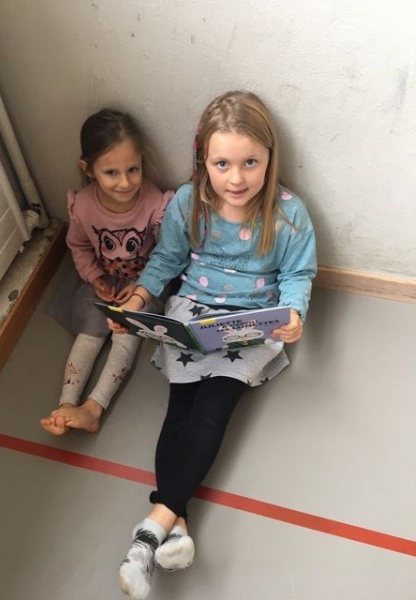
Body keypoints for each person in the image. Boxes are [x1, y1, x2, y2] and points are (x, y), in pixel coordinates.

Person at [109, 90, 317, 600]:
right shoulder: (188, 202)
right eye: (222, 164)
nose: (237, 178)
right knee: (179, 410)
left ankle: (149, 533)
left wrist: (294, 314)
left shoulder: (289, 214)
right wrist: (138, 298)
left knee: (212, 410)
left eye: (250, 163)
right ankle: (176, 526)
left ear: (270, 158)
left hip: (250, 323)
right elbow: (166, 261)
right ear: (203, 160)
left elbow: (297, 274)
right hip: (192, 314)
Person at [40, 109, 173, 435]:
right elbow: (79, 246)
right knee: (89, 332)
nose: (125, 182)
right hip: (103, 282)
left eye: (133, 169)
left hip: (143, 284)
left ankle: (94, 407)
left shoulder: (154, 202)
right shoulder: (84, 205)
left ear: (142, 163)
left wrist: (140, 285)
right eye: (111, 172)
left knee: (124, 335)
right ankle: (67, 403)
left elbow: (166, 254)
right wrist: (94, 278)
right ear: (88, 169)